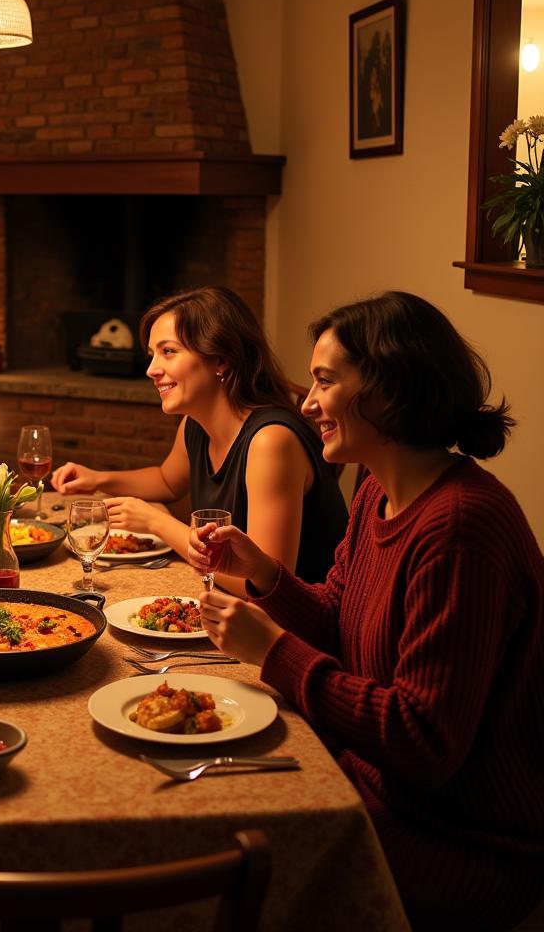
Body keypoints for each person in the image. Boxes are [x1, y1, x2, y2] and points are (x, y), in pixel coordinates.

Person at [189, 291, 543, 930]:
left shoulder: (460, 525)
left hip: (463, 840)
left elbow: (424, 740)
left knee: (223, 879)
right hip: (374, 786)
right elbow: (340, 620)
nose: (306, 402)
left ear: (388, 387)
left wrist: (272, 651)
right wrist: (265, 574)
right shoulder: (377, 488)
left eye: (324, 381)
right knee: (201, 810)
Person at [52, 287, 347, 590]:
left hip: (300, 630)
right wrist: (97, 479)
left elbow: (264, 588)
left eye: (168, 351)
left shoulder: (270, 441)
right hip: (231, 606)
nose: (152, 370)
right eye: (152, 354)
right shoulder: (194, 424)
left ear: (220, 359)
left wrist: (158, 523)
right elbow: (167, 481)